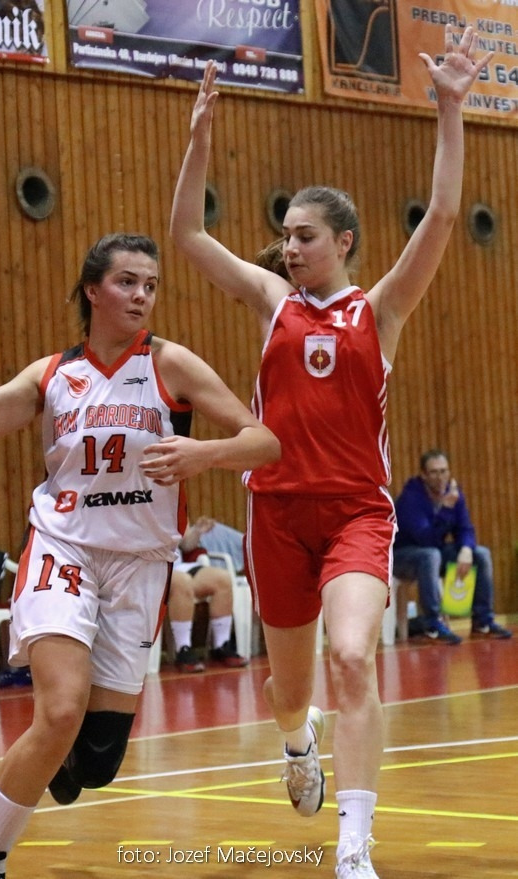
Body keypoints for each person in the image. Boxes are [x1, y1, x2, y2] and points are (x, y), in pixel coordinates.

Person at [0, 232, 280, 879]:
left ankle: (57, 758)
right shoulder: (52, 376)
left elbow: (265, 441)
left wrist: (204, 453)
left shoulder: (172, 365)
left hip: (140, 563)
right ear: (92, 290)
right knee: (60, 708)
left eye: (151, 285)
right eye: (127, 281)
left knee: (96, 762)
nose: (142, 295)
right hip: (63, 548)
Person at [170, 27, 490, 879]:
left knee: (351, 657)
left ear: (342, 241)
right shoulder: (272, 300)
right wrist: (199, 141)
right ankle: (294, 741)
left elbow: (443, 215)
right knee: (289, 691)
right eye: (285, 234)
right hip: (276, 511)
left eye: (304, 234)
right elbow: (188, 235)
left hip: (354, 512)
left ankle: (354, 848)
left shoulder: (380, 311)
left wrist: (450, 110)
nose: (289, 246)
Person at [393, 449, 512, 644]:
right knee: (430, 555)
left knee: (480, 554)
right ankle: (431, 625)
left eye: (444, 471)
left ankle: (482, 621)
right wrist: (446, 510)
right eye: (434, 472)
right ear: (423, 475)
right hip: (403, 557)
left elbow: (465, 528)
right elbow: (426, 539)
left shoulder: (453, 493)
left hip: (434, 553)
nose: (440, 477)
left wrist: (466, 549)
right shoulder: (411, 498)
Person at [169, 519, 248, 672]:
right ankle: (183, 648)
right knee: (182, 582)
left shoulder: (175, 505)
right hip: (151, 567)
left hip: (178, 566)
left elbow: (185, 544)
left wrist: (197, 531)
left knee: (222, 579)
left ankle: (221, 645)